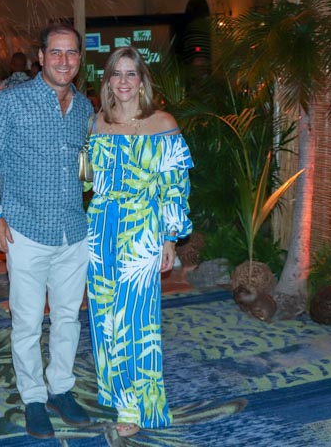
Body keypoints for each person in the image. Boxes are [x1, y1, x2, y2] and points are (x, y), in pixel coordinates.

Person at [0, 23, 94, 439]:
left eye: (71, 53)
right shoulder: (12, 101)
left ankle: (60, 388)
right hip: (24, 229)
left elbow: (85, 165)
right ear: (41, 57)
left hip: (73, 231)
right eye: (56, 52)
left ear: (79, 59)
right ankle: (33, 398)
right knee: (26, 322)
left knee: (67, 318)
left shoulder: (84, 108)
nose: (64, 60)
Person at [85, 46, 193, 438]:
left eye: (131, 73)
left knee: (135, 318)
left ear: (143, 80)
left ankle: (136, 406)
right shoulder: (98, 122)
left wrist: (170, 238)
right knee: (103, 316)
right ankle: (115, 392)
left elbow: (175, 185)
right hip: (101, 227)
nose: (124, 81)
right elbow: (90, 179)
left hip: (143, 228)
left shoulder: (163, 123)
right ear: (107, 81)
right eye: (117, 73)